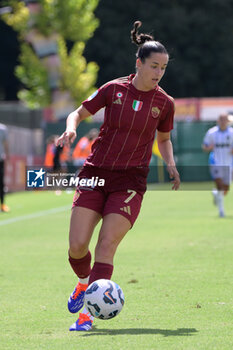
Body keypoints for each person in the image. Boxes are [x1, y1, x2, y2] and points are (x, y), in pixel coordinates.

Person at [56, 21, 180, 331]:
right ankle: (84, 284)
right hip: (94, 174)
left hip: (130, 182)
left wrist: (171, 163)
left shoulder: (165, 103)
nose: (158, 73)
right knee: (76, 246)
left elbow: (163, 139)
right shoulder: (113, 90)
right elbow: (78, 113)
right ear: (138, 63)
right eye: (154, 66)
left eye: (163, 68)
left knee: (106, 245)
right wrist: (71, 128)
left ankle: (86, 315)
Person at [202, 113, 233, 217]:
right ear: (218, 121)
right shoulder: (212, 132)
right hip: (216, 162)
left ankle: (216, 194)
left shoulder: (232, 133)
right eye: (221, 120)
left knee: (225, 189)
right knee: (220, 186)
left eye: (225, 120)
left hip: (229, 164)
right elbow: (205, 146)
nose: (223, 122)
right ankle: (221, 211)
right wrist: (208, 148)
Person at [0, 122, 10, 212]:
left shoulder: (2, 128)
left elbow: (5, 143)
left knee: (1, 183)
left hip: (0, 159)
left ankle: (2, 205)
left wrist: (8, 155)